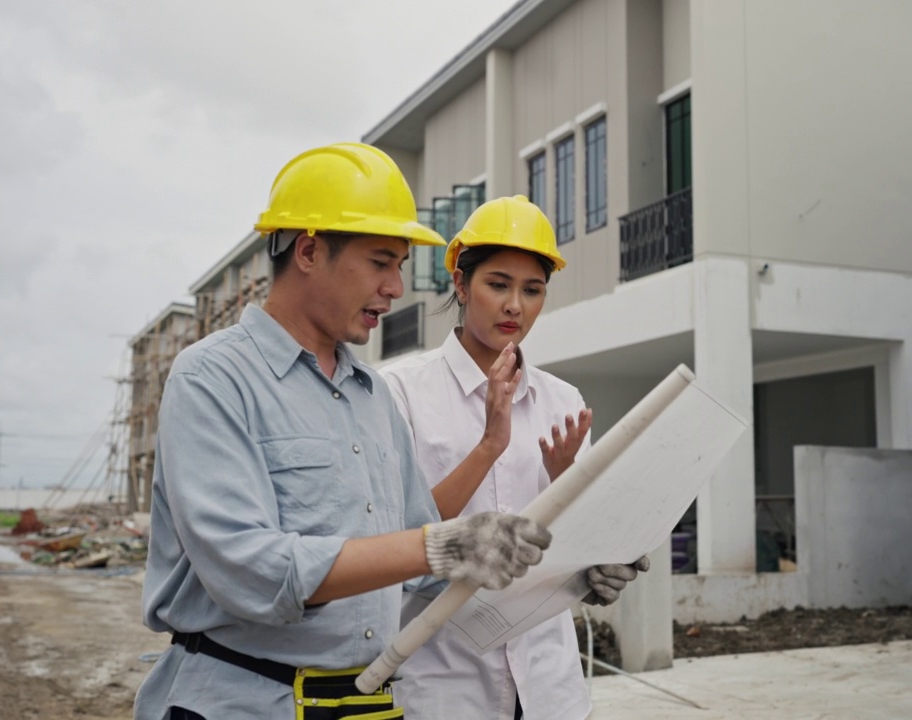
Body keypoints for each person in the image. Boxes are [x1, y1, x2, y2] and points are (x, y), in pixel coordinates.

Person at [134, 145, 554, 720]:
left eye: (400, 266)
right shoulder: (214, 377)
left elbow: (419, 571)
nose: (395, 287)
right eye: (381, 262)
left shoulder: (372, 396)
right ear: (308, 250)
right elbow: (248, 569)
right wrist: (436, 546)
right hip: (244, 701)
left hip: (366, 704)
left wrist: (567, 581)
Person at [382, 196, 648, 720]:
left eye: (533, 290)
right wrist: (489, 447)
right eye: (497, 284)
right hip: (445, 689)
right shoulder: (401, 393)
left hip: (551, 689)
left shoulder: (562, 401)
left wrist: (600, 556)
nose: (515, 306)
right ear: (460, 283)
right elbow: (396, 542)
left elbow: (573, 547)